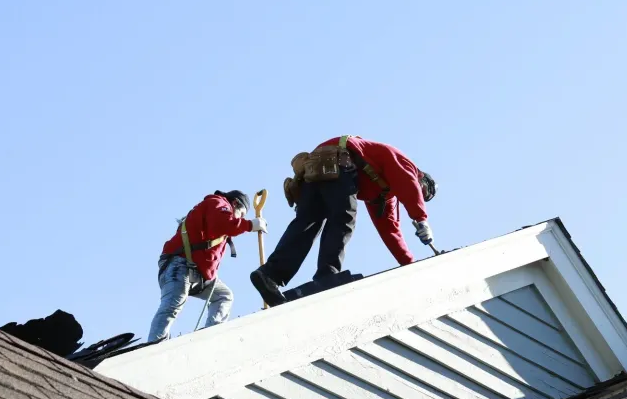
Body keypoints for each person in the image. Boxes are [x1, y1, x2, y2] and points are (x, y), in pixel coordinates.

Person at [251, 136, 436, 307]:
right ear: (421, 177)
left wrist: (410, 266)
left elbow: (390, 231)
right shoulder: (405, 166)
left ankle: (269, 275)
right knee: (343, 217)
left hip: (315, 169)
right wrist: (421, 219)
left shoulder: (383, 192)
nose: (421, 195)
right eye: (423, 191)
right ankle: (326, 275)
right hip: (338, 163)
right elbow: (409, 184)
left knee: (307, 223)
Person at [148, 190, 267, 341]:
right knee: (172, 306)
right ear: (235, 203)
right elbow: (223, 224)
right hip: (180, 266)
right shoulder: (218, 203)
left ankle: (210, 335)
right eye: (241, 214)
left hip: (197, 273)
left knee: (224, 296)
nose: (240, 218)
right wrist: (250, 225)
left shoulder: (217, 211)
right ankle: (154, 344)